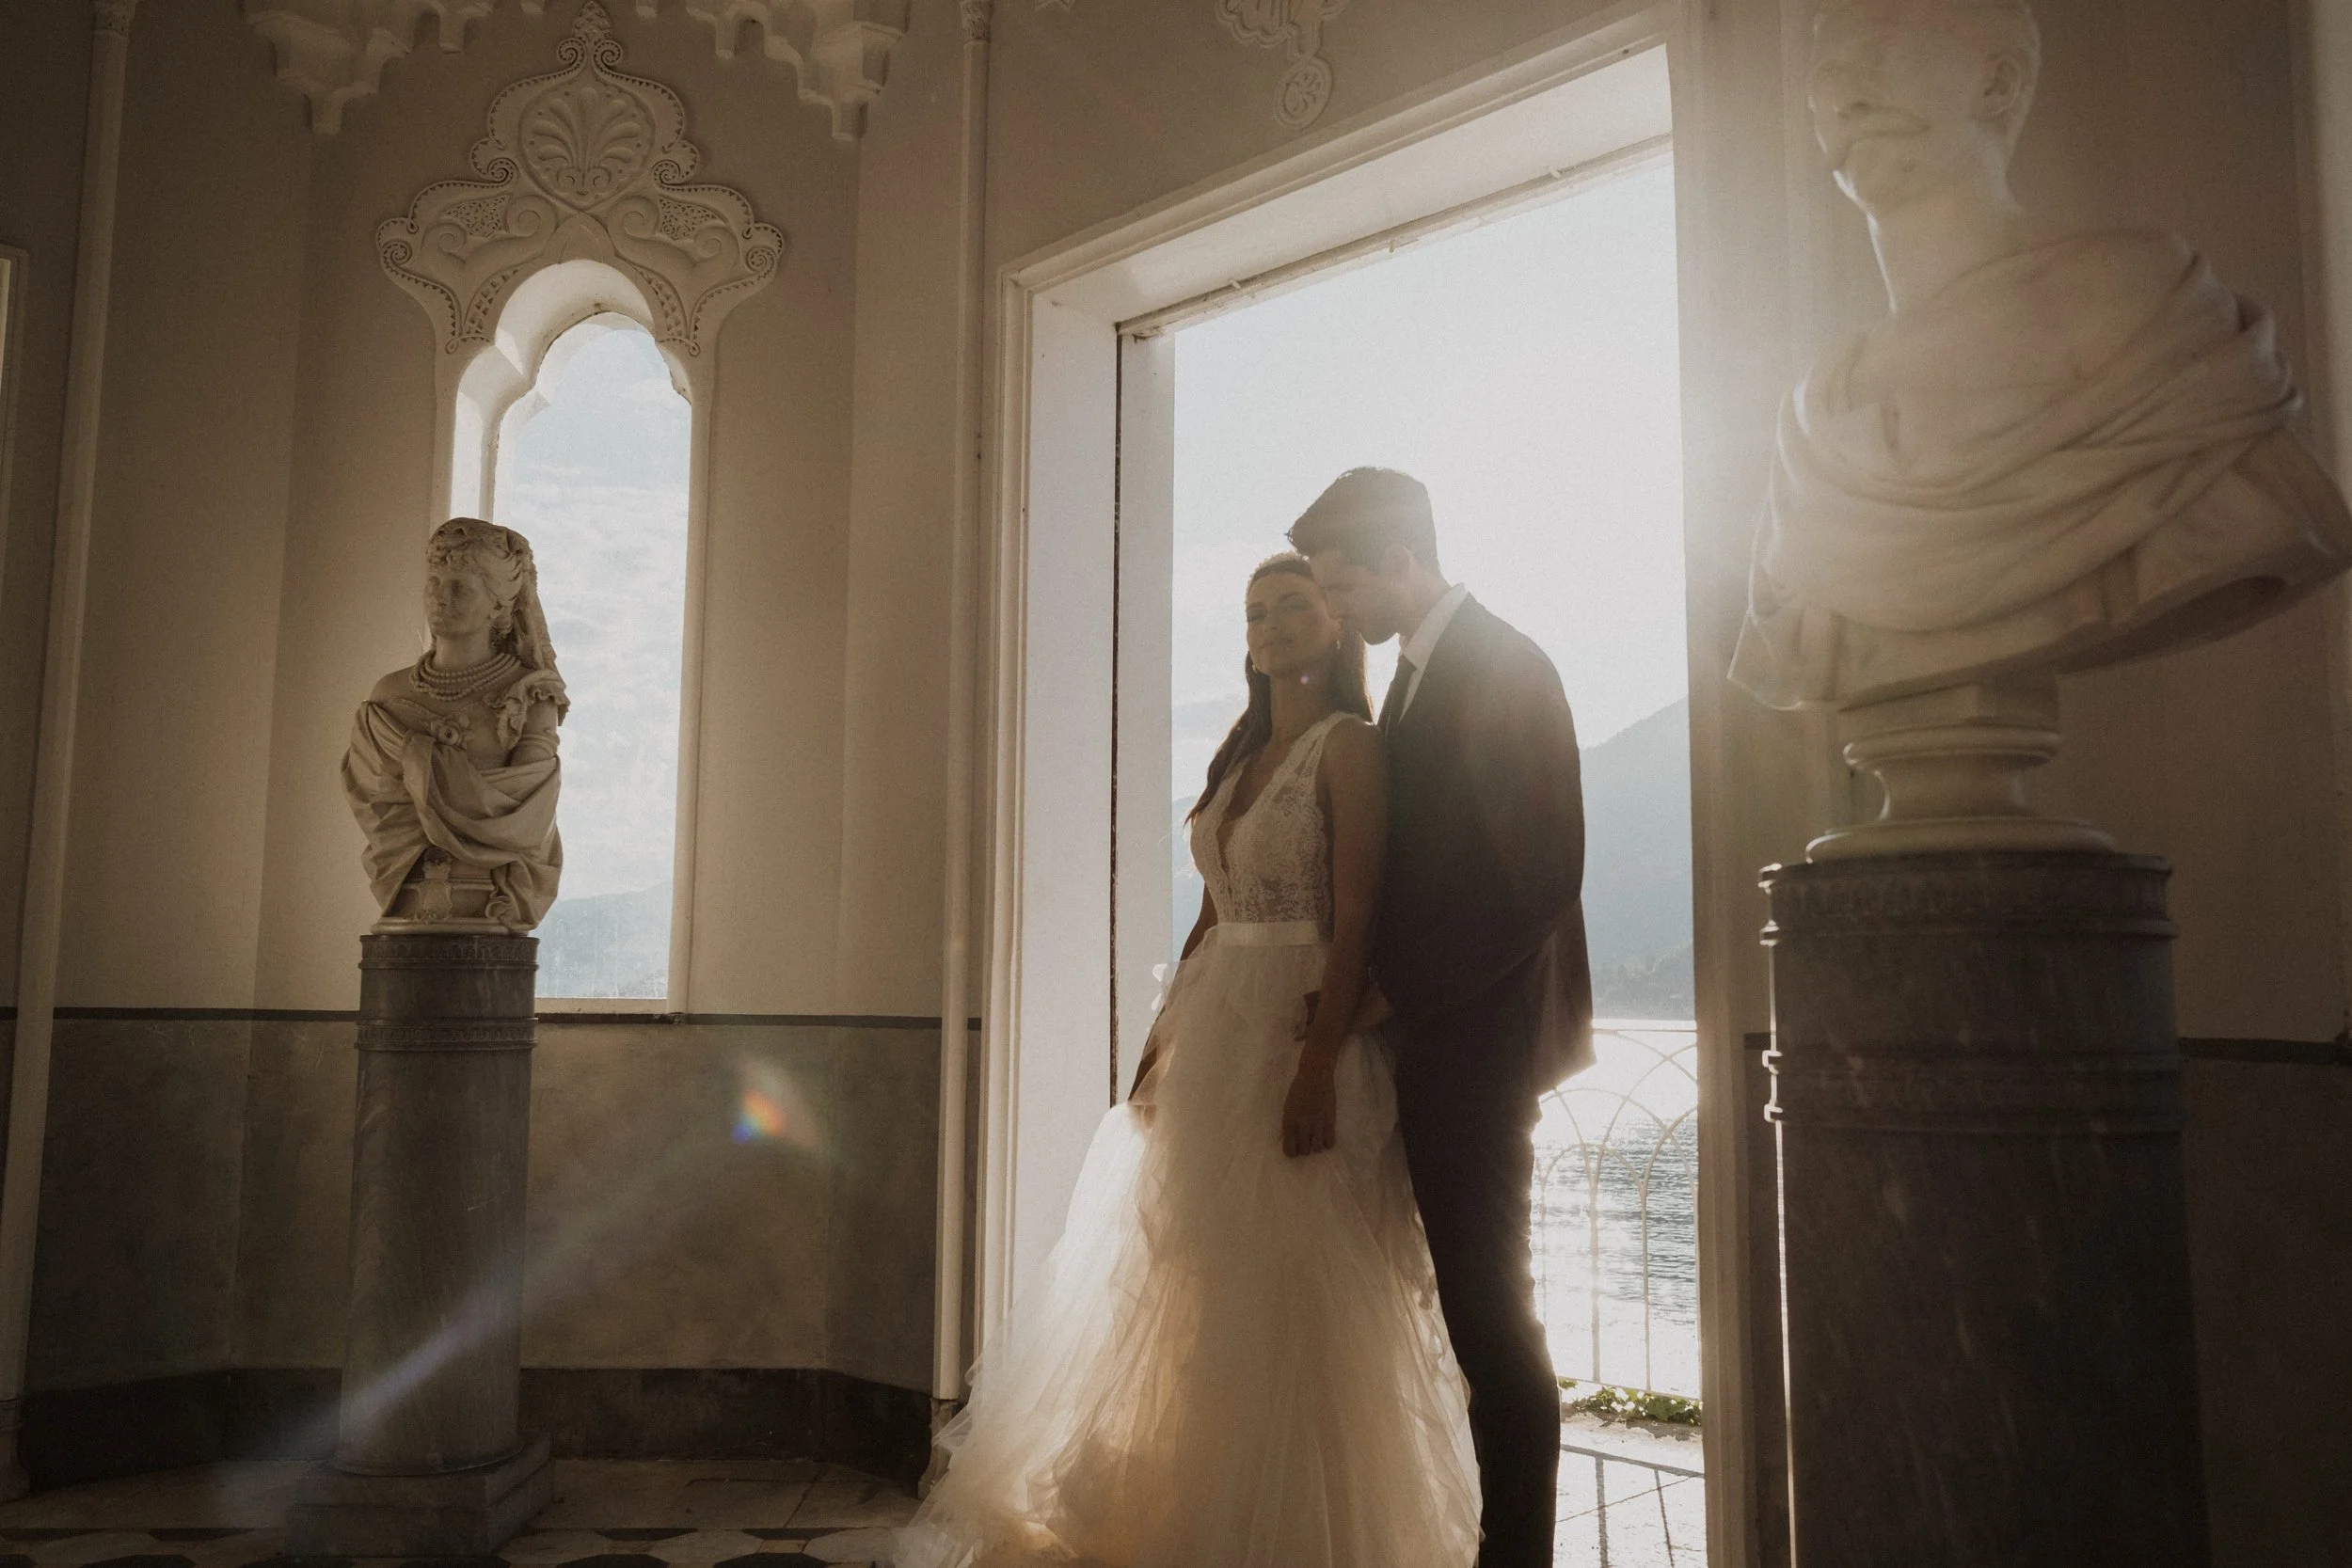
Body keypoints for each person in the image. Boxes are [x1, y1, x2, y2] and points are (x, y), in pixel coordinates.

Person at [899, 552, 1479, 1568]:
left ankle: (1298, 1534)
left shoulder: (1351, 747)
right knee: (1199, 1274)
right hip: (1215, 1037)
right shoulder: (1241, 755)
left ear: (1334, 624)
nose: (1271, 623)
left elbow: (1356, 922)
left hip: (1304, 1033)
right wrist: (1158, 1043)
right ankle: (1200, 1503)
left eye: (1293, 604)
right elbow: (1210, 915)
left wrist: (1316, 1065)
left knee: (1302, 1288)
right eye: (1256, 611)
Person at [1294, 467, 1593, 1568]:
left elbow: (1538, 875)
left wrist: (1394, 989)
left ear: (1404, 563)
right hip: (1426, 1048)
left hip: (1475, 1051)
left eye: (1342, 586)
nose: (1336, 612)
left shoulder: (1506, 664)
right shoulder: (1414, 677)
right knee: (1458, 1317)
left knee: (1493, 1323)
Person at [342, 517, 567, 929]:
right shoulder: (388, 699)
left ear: (499, 605)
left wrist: (424, 763)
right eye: (434, 582)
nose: (440, 599)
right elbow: (381, 811)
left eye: (460, 588)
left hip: (492, 905)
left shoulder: (531, 697)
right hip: (406, 904)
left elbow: (525, 821)